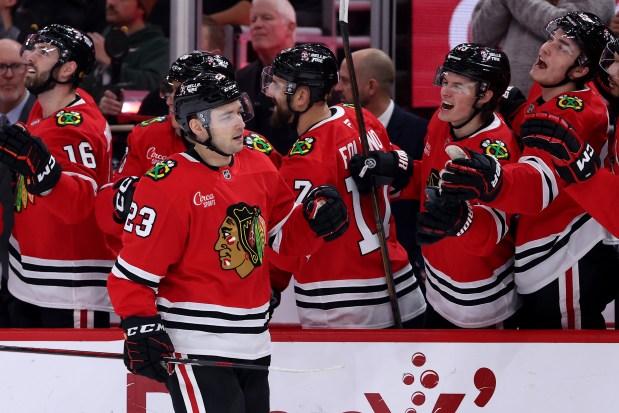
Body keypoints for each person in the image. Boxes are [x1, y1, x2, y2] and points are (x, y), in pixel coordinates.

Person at [107, 71, 349, 411]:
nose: (240, 123)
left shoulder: (259, 166)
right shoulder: (166, 185)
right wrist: (139, 327)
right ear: (196, 127)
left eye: (239, 111)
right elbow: (131, 273)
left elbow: (281, 241)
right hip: (195, 345)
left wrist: (315, 224)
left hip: (254, 342)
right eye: (227, 116)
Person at [438, 12, 618, 329]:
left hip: (567, 252)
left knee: (568, 361)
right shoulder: (548, 88)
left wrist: (493, 179)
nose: (546, 48)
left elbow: (539, 186)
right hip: (543, 248)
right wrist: (521, 112)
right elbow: (538, 136)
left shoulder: (576, 112)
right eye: (551, 39)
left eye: (563, 47)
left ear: (581, 68)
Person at [349, 44, 522, 329]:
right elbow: (431, 177)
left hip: (482, 301)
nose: (445, 91)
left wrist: (460, 221)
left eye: (457, 85)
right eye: (444, 80)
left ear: (485, 95)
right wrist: (399, 170)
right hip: (437, 287)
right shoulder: (442, 121)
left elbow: (494, 228)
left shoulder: (496, 150)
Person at [262, 43, 427, 328]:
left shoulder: (304, 161)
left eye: (277, 85)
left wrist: (268, 285)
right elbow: (400, 183)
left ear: (301, 96)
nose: (269, 92)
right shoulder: (361, 118)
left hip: (340, 308)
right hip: (404, 290)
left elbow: (286, 248)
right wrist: (401, 163)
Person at [95, 50, 282, 255]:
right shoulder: (147, 136)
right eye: (168, 89)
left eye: (180, 92)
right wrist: (123, 200)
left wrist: (267, 283)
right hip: (161, 271)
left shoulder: (257, 151)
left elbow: (279, 229)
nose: (168, 101)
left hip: (231, 272)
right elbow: (107, 215)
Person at [0, 24, 115, 328]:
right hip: (31, 276)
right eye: (33, 48)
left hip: (70, 288)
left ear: (67, 70)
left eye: (43, 52)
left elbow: (79, 203)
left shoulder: (76, 128)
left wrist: (42, 167)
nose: (29, 58)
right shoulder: (44, 107)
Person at [334, 47, 429, 279]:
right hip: (352, 267)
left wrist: (420, 258)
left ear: (371, 87)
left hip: (408, 270)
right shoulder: (334, 131)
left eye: (345, 80)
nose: (338, 88)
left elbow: (427, 200)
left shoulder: (420, 132)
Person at [471, 0, 614, 96]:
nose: (546, 49)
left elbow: (575, 27)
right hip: (506, 94)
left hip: (564, 102)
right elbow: (480, 36)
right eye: (550, 39)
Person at [0, 37, 36, 326]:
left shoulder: (48, 117)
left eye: (15, 66)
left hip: (33, 263)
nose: (8, 75)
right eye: (0, 67)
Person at [236, 0, 297, 155]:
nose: (257, 25)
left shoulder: (314, 78)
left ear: (290, 27)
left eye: (266, 18)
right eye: (253, 20)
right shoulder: (238, 79)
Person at [83, 0, 170, 107]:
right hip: (91, 120)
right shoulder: (99, 42)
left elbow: (157, 88)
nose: (110, 3)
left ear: (141, 8)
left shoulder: (159, 46)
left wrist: (110, 63)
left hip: (132, 122)